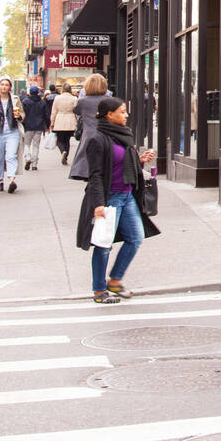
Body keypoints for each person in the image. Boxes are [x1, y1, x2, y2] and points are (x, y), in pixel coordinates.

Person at [76, 97, 158, 303]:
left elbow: (124, 163)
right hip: (110, 198)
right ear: (109, 114)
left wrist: (140, 160)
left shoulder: (124, 134)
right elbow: (95, 175)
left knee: (136, 238)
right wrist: (98, 204)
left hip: (127, 195)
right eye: (122, 111)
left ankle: (114, 280)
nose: (126, 115)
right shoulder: (97, 140)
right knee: (104, 245)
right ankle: (99, 290)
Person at [0, 76, 25, 192]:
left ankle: (11, 180)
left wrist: (20, 116)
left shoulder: (15, 99)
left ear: (10, 87)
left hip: (12, 131)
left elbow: (22, 113)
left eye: (6, 85)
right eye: (2, 84)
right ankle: (0, 180)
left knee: (11, 155)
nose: (4, 87)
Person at [68, 72, 109, 181]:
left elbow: (76, 110)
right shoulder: (108, 100)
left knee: (86, 162)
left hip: (88, 134)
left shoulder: (82, 101)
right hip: (106, 134)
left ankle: (88, 178)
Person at [22, 84, 51, 170]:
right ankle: (34, 164)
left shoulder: (25, 102)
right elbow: (46, 115)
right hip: (39, 126)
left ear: (30, 92)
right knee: (36, 145)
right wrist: (48, 125)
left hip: (28, 126)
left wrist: (22, 124)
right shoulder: (42, 102)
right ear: (38, 92)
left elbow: (22, 114)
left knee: (26, 144)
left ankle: (27, 157)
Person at [50, 82, 78, 165]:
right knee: (67, 140)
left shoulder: (57, 98)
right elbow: (76, 111)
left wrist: (52, 122)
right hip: (70, 119)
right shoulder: (74, 98)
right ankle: (66, 156)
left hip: (60, 119)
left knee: (59, 140)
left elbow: (54, 111)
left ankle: (63, 151)